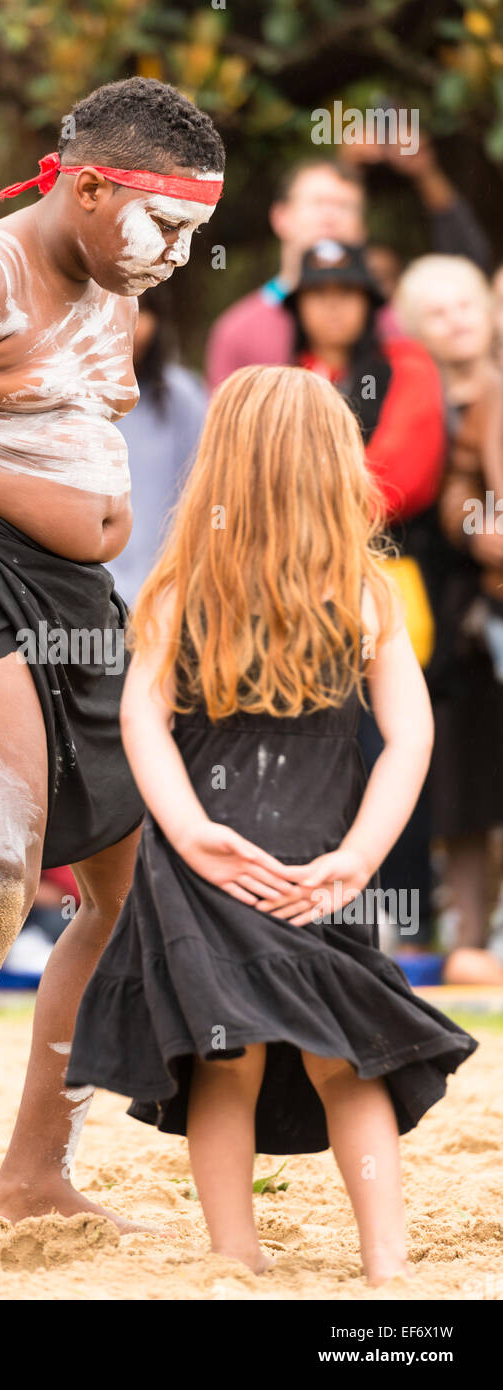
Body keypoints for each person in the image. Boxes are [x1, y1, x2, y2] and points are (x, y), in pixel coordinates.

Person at [0, 76, 226, 1234]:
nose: (176, 255)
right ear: (91, 186)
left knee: (131, 890)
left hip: (73, 592)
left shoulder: (114, 273)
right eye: (166, 226)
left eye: (194, 236)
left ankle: (34, 1168)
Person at [66, 364, 478, 1285]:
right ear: (337, 468)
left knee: (226, 1066)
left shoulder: (177, 590)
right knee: (348, 1063)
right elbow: (410, 737)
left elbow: (140, 720)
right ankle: (386, 1262)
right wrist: (358, 857)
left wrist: (187, 833)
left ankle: (234, 1257)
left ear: (221, 469)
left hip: (208, 868)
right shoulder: (366, 594)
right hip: (315, 866)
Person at [284, 238, 446, 951]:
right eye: (318, 294)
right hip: (294, 590)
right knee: (320, 743)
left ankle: (406, 935)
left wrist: (309, 503)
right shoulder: (293, 375)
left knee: (395, 739)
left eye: (345, 293)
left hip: (392, 581)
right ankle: (321, 915)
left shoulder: (405, 366)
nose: (331, 305)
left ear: (368, 304)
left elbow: (406, 473)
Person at [396, 255, 503, 984]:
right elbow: (450, 487)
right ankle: (463, 934)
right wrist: (480, 527)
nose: (458, 318)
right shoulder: (409, 391)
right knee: (462, 779)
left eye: (465, 301)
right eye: (436, 310)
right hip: (452, 617)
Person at [206, 136, 491, 389]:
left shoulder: (397, 323)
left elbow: (470, 270)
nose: (330, 217)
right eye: (318, 203)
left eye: (345, 207)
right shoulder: (236, 331)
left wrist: (425, 173)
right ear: (281, 217)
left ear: (361, 229)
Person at [108, 282, 208, 607]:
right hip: (86, 598)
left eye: (144, 309)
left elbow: (201, 496)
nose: (131, 319)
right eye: (116, 305)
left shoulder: (184, 398)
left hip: (166, 595)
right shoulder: (65, 397)